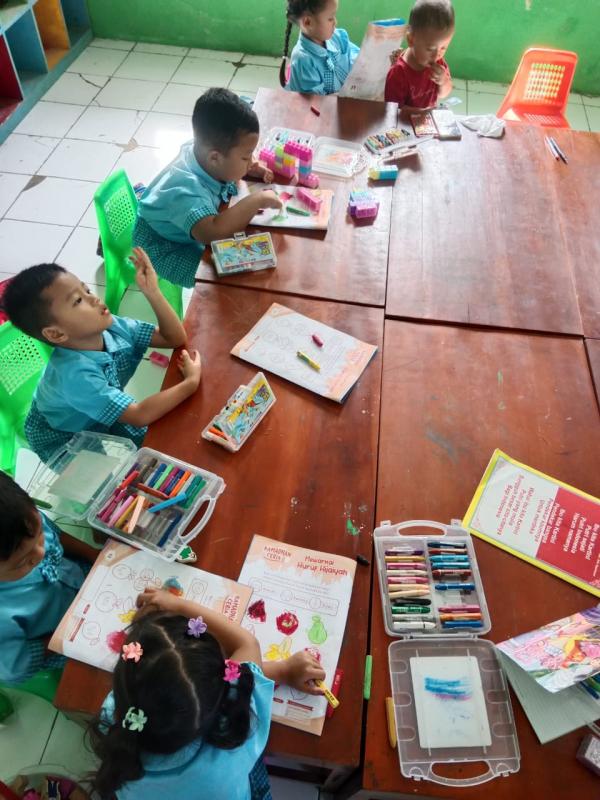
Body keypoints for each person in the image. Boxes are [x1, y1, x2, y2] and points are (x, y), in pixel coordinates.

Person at [89, 588, 326, 800]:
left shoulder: (114, 717)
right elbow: (247, 644)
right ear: (222, 690)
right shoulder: (233, 738)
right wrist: (177, 604)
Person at [2, 248, 201, 464]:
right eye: (78, 300)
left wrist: (152, 291)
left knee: (158, 443)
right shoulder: (76, 377)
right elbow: (139, 415)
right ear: (56, 334)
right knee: (99, 477)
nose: (94, 299)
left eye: (86, 289)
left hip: (96, 402)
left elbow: (173, 338)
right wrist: (190, 383)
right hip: (61, 435)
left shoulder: (111, 326)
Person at [133, 88, 282, 288]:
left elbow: (232, 157)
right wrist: (257, 200)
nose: (250, 161)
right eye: (246, 157)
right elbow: (213, 233)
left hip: (180, 219)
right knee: (211, 278)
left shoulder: (204, 148)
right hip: (162, 246)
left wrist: (250, 166)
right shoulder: (186, 193)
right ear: (215, 158)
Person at [0, 471, 96, 684]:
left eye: (40, 537)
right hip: (60, 637)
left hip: (81, 577)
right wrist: (67, 633)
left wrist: (95, 555)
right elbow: (17, 666)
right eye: (22, 562)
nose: (40, 553)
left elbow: (58, 535)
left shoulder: (22, 521)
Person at [384, 0, 455, 118]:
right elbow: (393, 111)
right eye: (430, 49)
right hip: (403, 126)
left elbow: (444, 94)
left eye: (443, 48)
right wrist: (423, 113)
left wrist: (443, 81)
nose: (437, 55)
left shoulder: (439, 63)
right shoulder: (398, 73)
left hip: (424, 122)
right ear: (411, 40)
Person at [280, 0, 359, 95]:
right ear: (308, 22)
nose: (335, 22)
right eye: (330, 18)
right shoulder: (303, 60)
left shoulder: (336, 37)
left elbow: (354, 56)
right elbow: (315, 101)